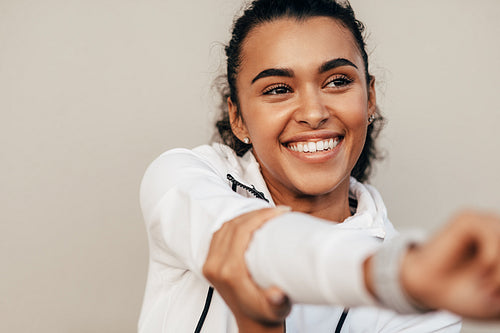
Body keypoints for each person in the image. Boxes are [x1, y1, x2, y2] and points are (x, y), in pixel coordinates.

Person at [138, 0, 500, 332]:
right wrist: (400, 276)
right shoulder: (182, 176)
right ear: (238, 118)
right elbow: (254, 244)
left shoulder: (434, 308)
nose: (314, 113)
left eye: (338, 81)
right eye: (278, 89)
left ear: (369, 97)